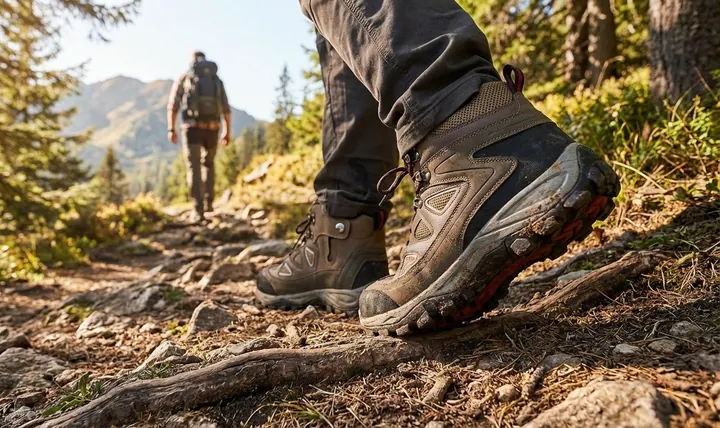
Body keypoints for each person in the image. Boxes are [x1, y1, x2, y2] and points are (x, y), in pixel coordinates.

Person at [255, 0, 620, 336]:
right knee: (338, 27)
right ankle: (343, 230)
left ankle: (461, 123)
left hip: (467, 127)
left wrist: (446, 99)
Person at [168, 51, 232, 219]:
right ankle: (209, 203)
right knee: (209, 164)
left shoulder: (185, 78)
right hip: (213, 127)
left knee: (194, 167)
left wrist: (171, 129)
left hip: (192, 128)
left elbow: (173, 105)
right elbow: (226, 107)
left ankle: (198, 209)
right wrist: (227, 131)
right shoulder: (215, 79)